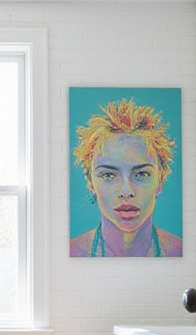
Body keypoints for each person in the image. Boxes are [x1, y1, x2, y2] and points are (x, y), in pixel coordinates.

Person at [70, 98, 182, 257]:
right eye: (108, 175)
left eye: (142, 174)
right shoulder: (73, 252)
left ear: (160, 179)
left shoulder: (178, 251)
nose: (126, 191)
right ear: (90, 181)